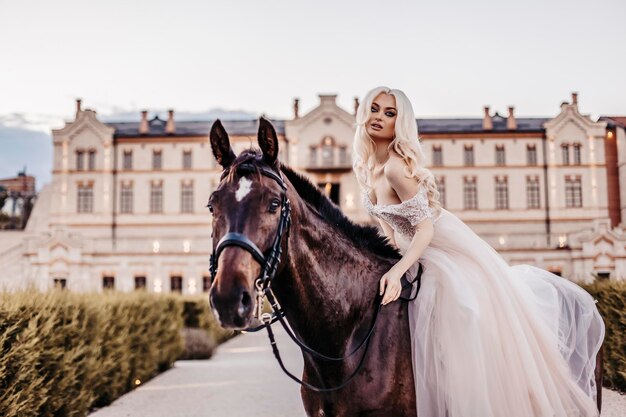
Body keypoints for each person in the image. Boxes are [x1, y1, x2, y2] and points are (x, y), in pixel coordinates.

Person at [352, 86, 605, 417]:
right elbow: (387, 227)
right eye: (374, 109)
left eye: (389, 113)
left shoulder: (396, 168)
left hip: (439, 245)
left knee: (460, 312)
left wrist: (399, 270)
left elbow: (424, 229)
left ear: (400, 123)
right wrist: (387, 260)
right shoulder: (369, 168)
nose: (378, 117)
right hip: (409, 247)